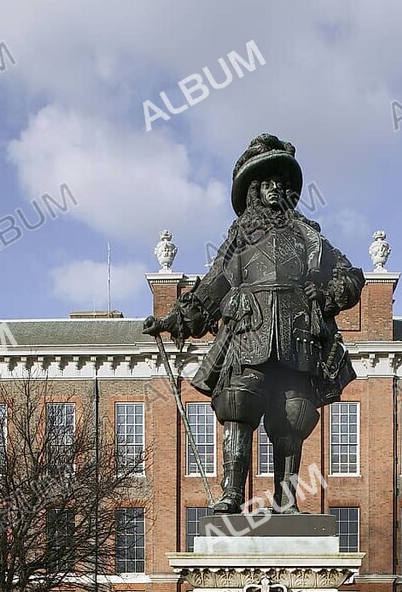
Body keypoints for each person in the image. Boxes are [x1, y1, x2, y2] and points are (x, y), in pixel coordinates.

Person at [144, 133, 365, 513]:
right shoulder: (240, 238)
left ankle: (285, 500)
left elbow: (350, 275)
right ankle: (232, 492)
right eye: (267, 183)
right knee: (238, 403)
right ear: (254, 190)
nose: (275, 189)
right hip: (250, 329)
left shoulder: (308, 234)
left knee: (293, 413)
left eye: (281, 183)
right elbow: (213, 286)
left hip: (297, 336)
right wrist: (175, 319)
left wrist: (327, 296)